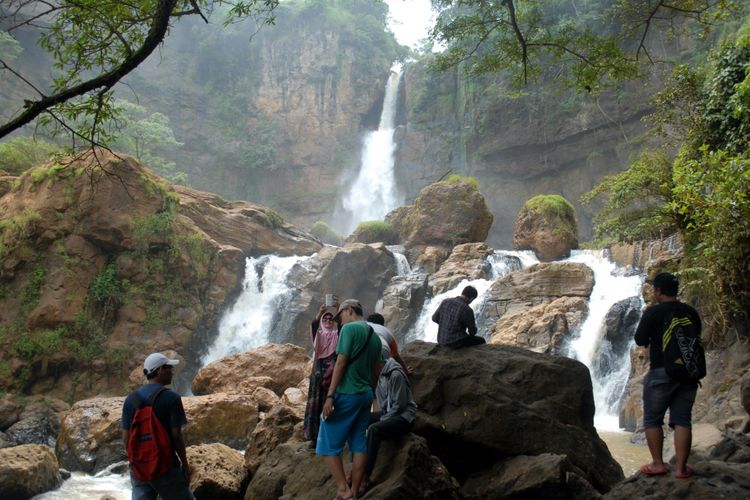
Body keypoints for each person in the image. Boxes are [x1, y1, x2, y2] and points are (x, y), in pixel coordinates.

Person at [634, 272, 701, 479]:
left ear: (658, 291)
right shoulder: (690, 312)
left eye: (654, 289)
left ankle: (658, 464)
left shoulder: (653, 312)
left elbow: (639, 339)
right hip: (688, 373)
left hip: (661, 371)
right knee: (682, 419)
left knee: (653, 419)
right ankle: (681, 468)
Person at [317, 299, 383, 500]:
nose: (340, 320)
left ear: (350, 310)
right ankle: (355, 491)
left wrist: (330, 395)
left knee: (326, 443)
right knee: (358, 442)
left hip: (347, 393)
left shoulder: (349, 330)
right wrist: (370, 393)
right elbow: (378, 369)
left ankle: (344, 491)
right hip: (364, 395)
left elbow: (341, 362)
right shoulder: (375, 336)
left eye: (341, 315)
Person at [121, 353, 194, 500]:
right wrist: (184, 465)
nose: (172, 372)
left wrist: (135, 462)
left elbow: (126, 438)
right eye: (169, 368)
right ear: (160, 370)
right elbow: (176, 436)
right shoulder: (171, 398)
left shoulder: (130, 400)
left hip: (139, 467)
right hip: (165, 467)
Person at [361, 354, 418, 495]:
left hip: (404, 417)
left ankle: (365, 477)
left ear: (377, 364)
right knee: (361, 420)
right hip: (389, 412)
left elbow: (399, 405)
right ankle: (355, 464)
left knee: (374, 430)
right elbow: (382, 405)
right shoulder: (380, 376)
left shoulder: (396, 374)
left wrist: (382, 421)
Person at [304, 304, 340, 446]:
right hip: (318, 373)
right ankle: (314, 437)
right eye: (325, 319)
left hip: (333, 373)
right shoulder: (318, 335)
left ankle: (330, 436)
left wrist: (338, 310)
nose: (328, 321)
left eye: (331, 319)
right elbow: (314, 323)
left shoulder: (338, 334)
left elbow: (343, 325)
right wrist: (321, 312)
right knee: (316, 403)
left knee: (330, 403)